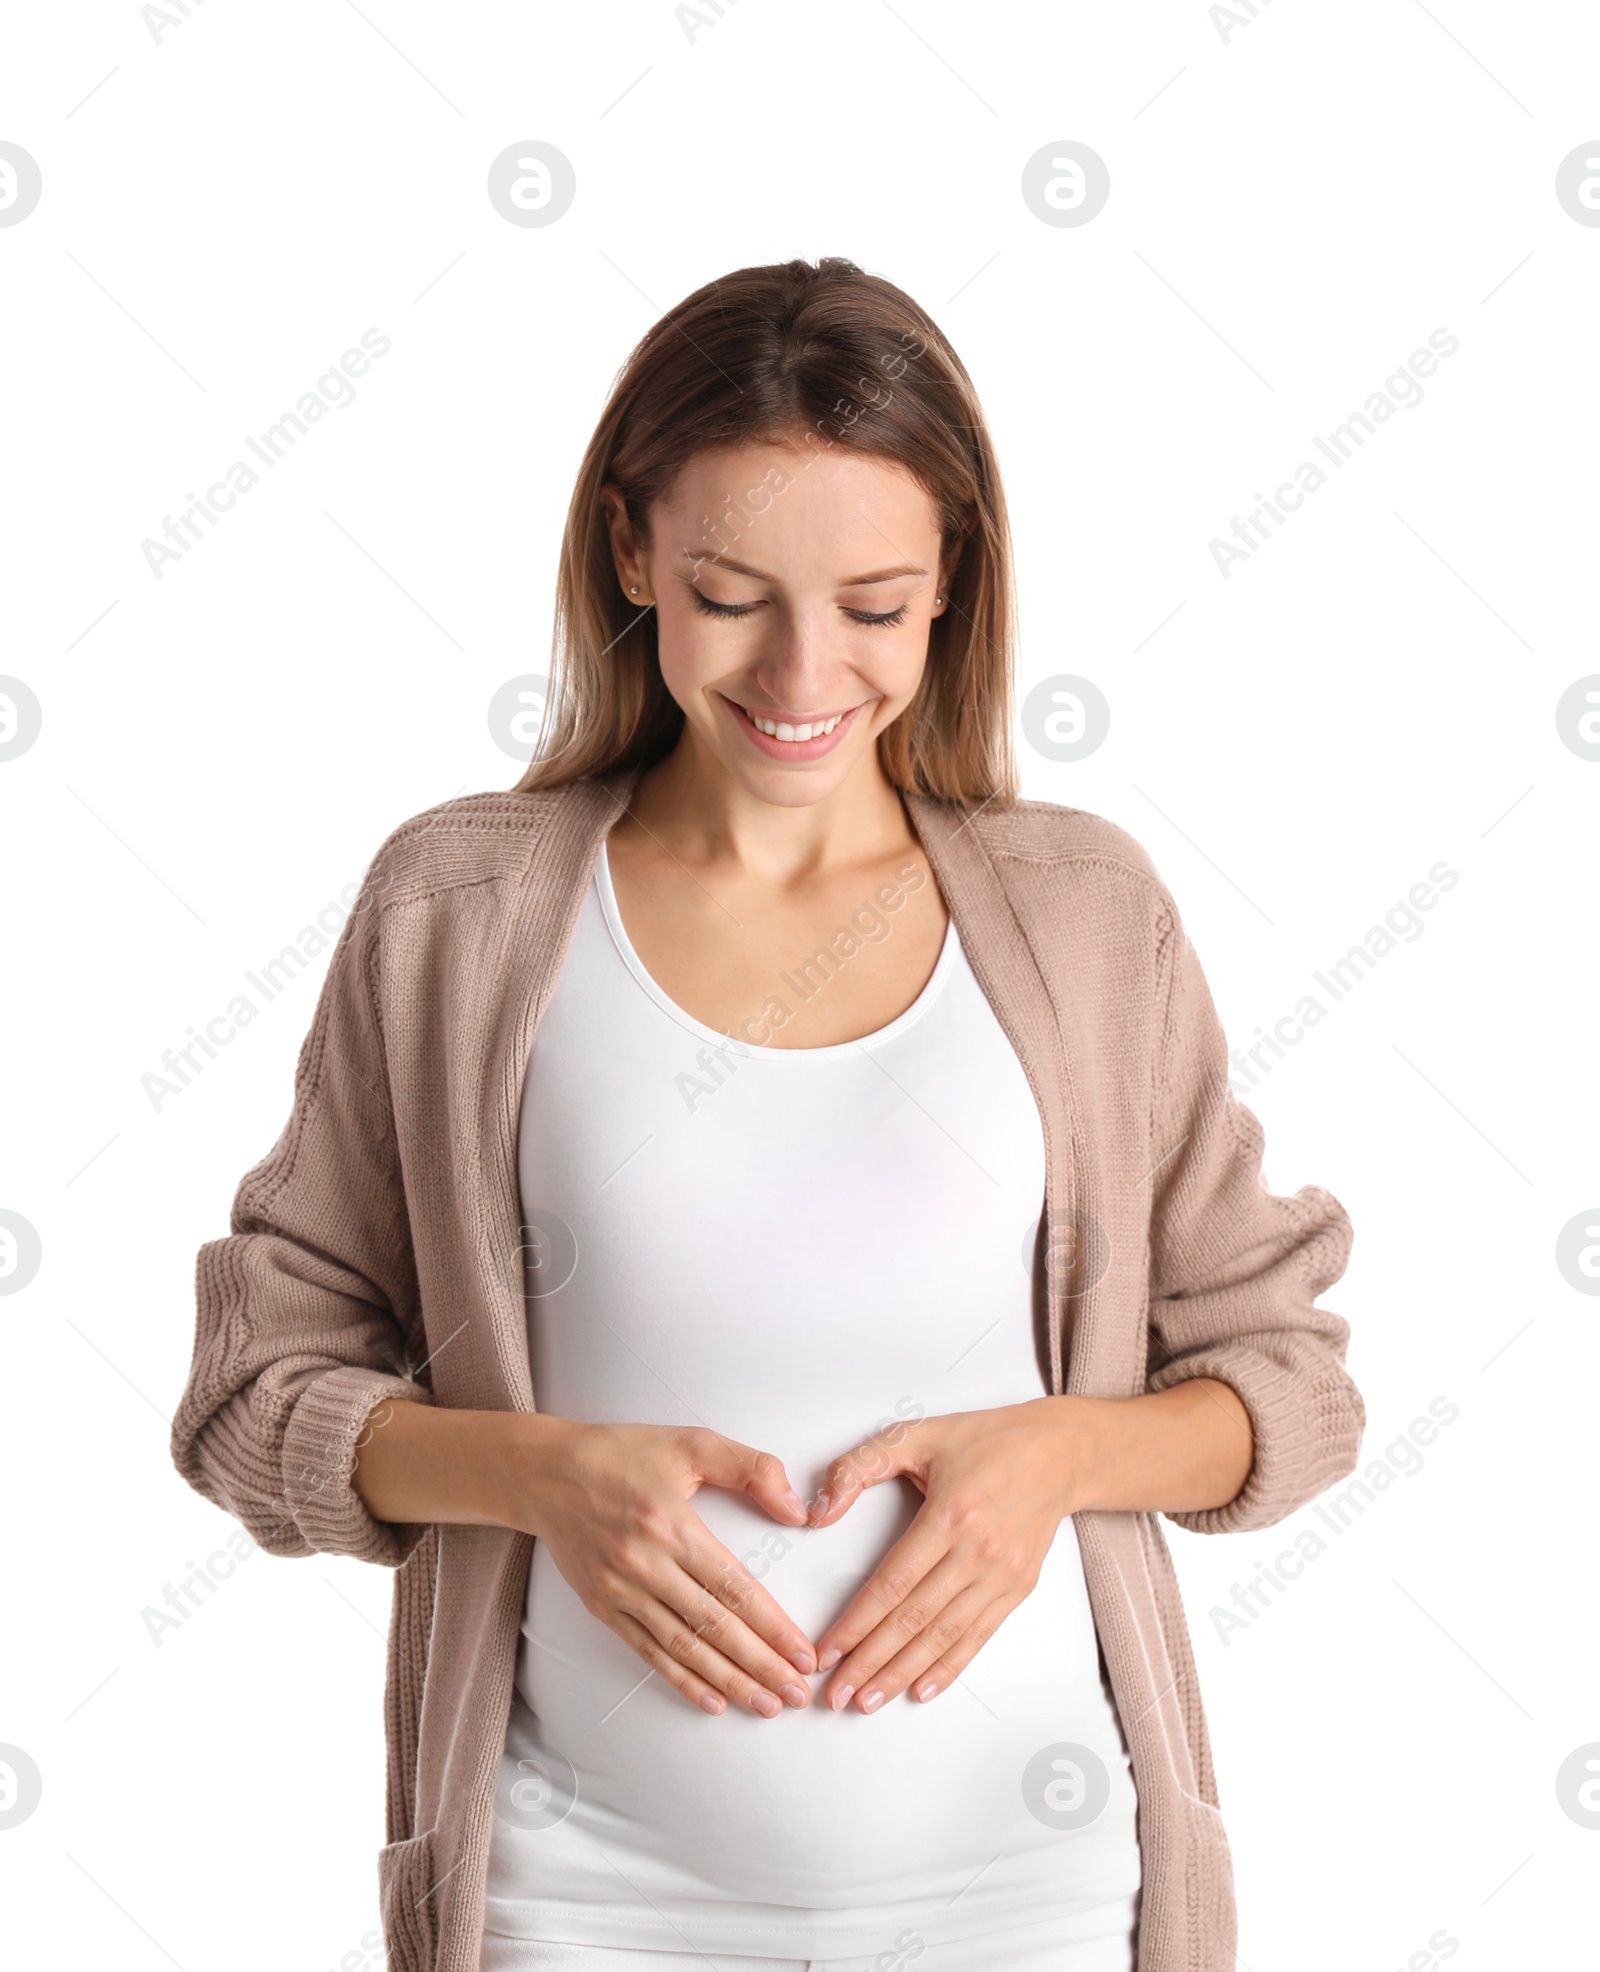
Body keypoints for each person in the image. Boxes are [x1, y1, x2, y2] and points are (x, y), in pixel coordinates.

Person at [171, 256, 1364, 1972]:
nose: (804, 673)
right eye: (732, 592)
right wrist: (534, 1477)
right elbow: (251, 1392)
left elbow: (1293, 1384)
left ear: (955, 586)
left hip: (1032, 1904)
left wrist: (1058, 1458)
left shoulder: (1087, 916)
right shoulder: (460, 912)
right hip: (578, 1908)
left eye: (876, 607)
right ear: (628, 551)